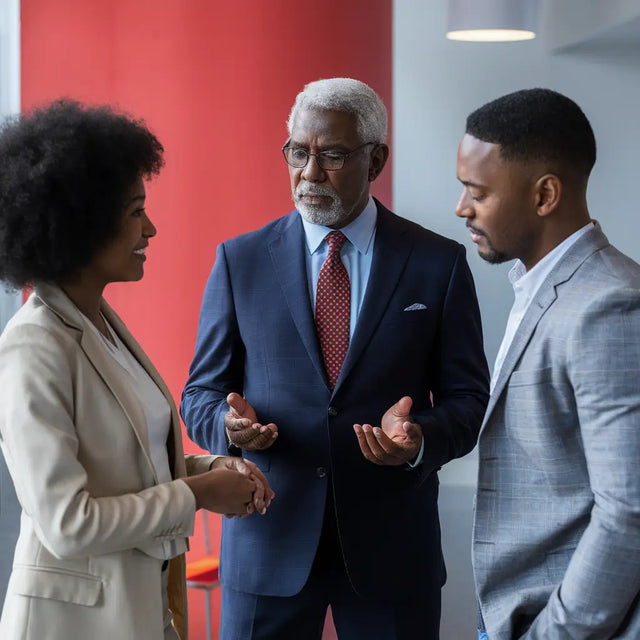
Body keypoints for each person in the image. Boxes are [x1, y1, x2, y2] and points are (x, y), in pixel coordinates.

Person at [181, 77, 489, 639]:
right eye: (299, 153)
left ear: (377, 160)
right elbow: (199, 393)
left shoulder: (436, 264)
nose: (310, 173)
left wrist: (420, 439)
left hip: (392, 550)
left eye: (334, 156)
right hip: (267, 538)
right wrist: (229, 429)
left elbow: (469, 400)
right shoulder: (240, 260)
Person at [0, 100, 273, 640]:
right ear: (81, 224)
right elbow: (67, 522)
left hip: (142, 612)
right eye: (133, 212)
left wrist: (213, 468)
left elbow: (130, 464)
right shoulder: (34, 346)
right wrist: (198, 495)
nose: (150, 228)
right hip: (72, 622)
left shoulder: (101, 323)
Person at [455, 88, 640, 639]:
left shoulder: (608, 303)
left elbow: (628, 508)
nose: (461, 207)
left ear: (545, 195)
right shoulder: (541, 287)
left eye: (477, 191)